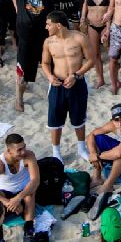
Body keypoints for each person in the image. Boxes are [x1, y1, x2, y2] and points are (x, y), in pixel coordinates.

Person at [42, 10, 95, 162]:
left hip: (77, 83)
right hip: (57, 84)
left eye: (48, 24)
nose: (46, 27)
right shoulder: (48, 42)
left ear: (58, 25)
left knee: (78, 118)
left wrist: (76, 75)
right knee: (54, 119)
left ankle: (81, 148)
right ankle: (56, 152)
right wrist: (50, 77)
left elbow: (91, 60)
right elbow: (45, 63)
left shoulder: (79, 38)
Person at [0, 133, 40, 242]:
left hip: (25, 192)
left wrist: (19, 198)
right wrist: (9, 202)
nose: (23, 151)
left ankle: (29, 231)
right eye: (19, 150)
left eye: (24, 147)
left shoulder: (29, 156)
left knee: (30, 193)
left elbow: (35, 180)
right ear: (9, 151)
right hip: (7, 194)